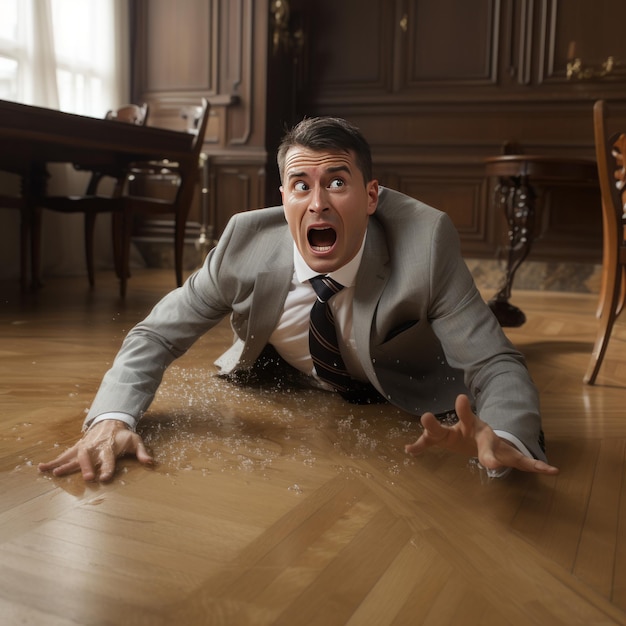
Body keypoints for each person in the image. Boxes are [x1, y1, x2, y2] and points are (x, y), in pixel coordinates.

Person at [38, 117, 559, 482]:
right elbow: (155, 333)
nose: (319, 203)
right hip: (293, 368)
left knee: (495, 335)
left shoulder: (426, 245)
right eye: (301, 185)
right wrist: (112, 419)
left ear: (372, 197)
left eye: (337, 181)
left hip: (418, 373)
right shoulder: (243, 243)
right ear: (282, 196)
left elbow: (494, 363)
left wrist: (508, 437)